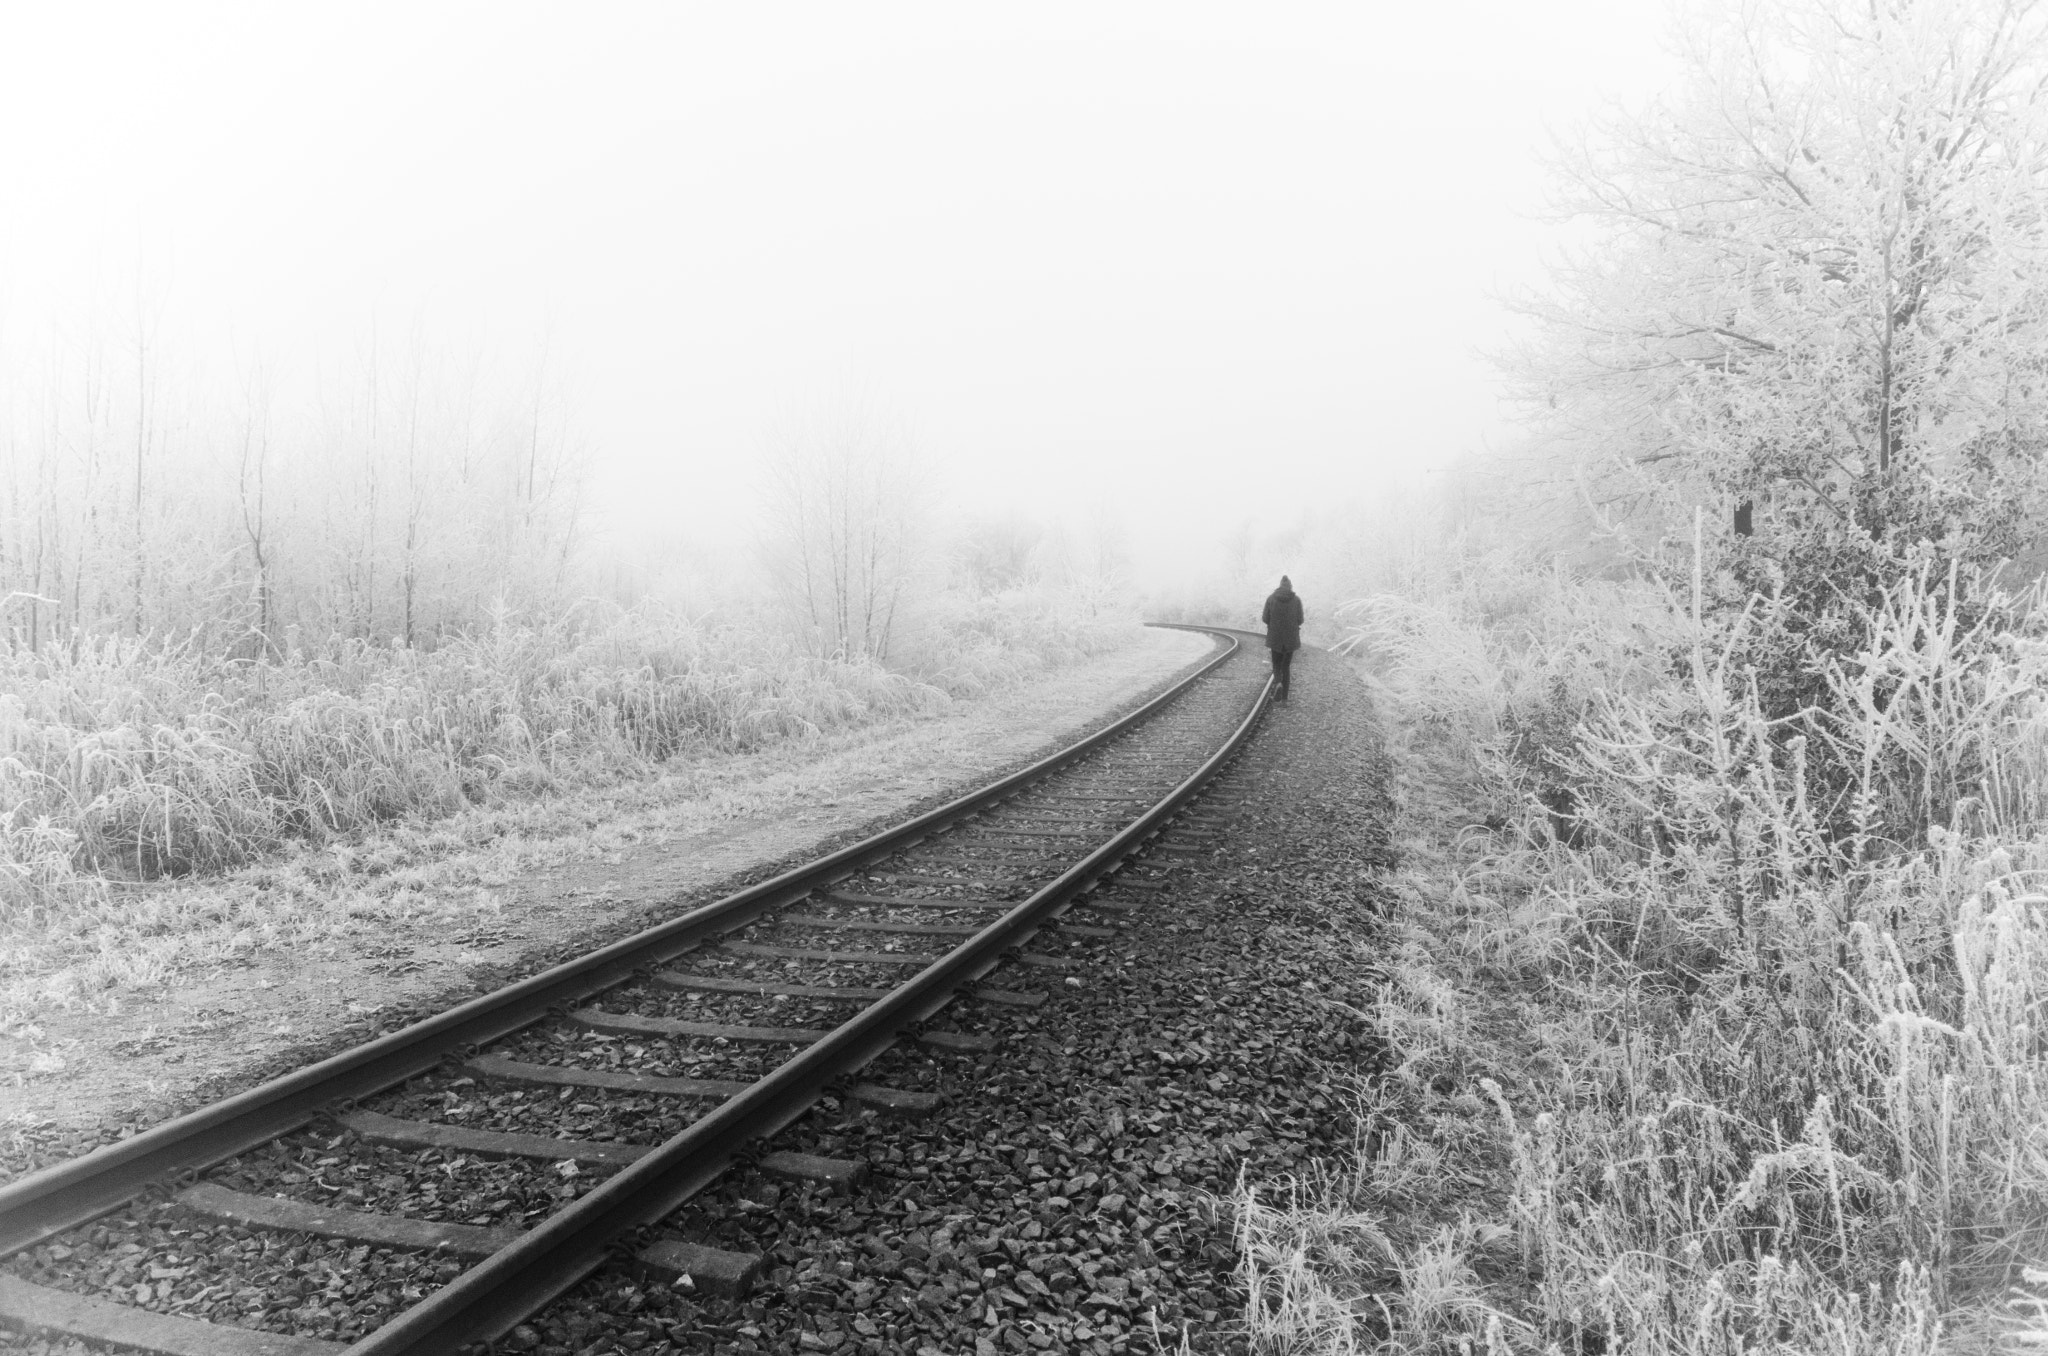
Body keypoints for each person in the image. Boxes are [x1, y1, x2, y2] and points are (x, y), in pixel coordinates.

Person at [1261, 575, 1303, 700]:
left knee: (1276, 664)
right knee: (1286, 666)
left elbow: (1265, 618)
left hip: (1275, 637)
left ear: (1280, 585)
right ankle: (1284, 699)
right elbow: (1300, 620)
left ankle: (1278, 682)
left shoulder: (1271, 599)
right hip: (1290, 638)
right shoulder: (1296, 600)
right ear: (1290, 586)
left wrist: (1273, 623)